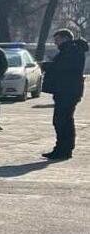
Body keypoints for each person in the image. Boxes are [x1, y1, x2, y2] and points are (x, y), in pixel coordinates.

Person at [42, 29, 86, 160]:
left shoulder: (72, 50)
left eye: (57, 39)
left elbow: (64, 67)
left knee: (62, 121)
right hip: (65, 90)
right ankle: (61, 148)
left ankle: (64, 150)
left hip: (68, 91)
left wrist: (48, 66)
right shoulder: (69, 50)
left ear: (65, 38)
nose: (55, 43)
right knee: (62, 121)